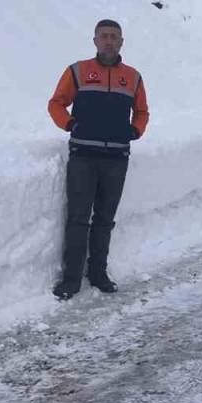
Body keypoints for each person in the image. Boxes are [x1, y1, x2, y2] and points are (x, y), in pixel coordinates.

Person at [47, 19, 149, 300]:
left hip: (116, 157)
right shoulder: (78, 71)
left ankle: (98, 273)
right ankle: (71, 279)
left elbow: (142, 112)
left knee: (105, 219)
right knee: (79, 219)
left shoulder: (133, 77)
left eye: (114, 37)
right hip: (83, 155)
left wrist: (135, 130)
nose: (109, 41)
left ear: (121, 42)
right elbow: (56, 103)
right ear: (94, 40)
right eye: (104, 36)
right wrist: (69, 124)